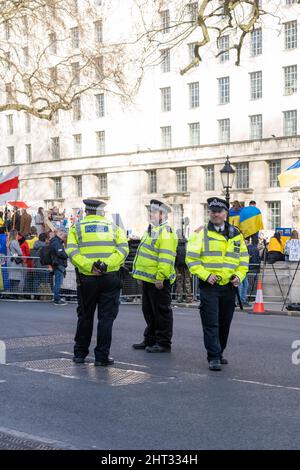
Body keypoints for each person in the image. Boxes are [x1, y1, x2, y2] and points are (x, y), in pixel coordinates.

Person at [186, 197, 249, 371]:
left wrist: (239, 275)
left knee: (224, 322)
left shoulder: (236, 234)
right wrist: (206, 275)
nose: (215, 214)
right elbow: (191, 259)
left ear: (225, 214)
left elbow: (243, 260)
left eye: (219, 211)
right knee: (211, 322)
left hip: (229, 287)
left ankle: (220, 352)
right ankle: (213, 356)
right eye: (212, 211)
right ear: (209, 213)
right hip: (210, 287)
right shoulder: (200, 233)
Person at [66, 199, 129, 366]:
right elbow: (123, 249)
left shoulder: (76, 228)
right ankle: (101, 357)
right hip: (110, 277)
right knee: (106, 318)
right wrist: (106, 265)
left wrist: (90, 266)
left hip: (87, 278)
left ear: (86, 211)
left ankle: (80, 354)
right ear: (102, 212)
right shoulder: (114, 227)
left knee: (85, 316)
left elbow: (72, 251)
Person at [132, 199, 178, 353]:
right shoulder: (152, 230)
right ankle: (150, 339)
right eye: (149, 211)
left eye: (152, 211)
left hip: (158, 280)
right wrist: (139, 274)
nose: (149, 214)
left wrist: (161, 277)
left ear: (162, 215)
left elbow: (166, 257)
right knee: (149, 311)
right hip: (148, 279)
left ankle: (163, 342)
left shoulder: (166, 232)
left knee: (161, 312)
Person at [175, 228, 193, 303]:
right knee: (187, 281)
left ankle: (180, 297)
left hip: (179, 265)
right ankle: (188, 298)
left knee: (179, 281)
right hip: (187, 265)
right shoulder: (187, 242)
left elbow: (174, 255)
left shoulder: (175, 243)